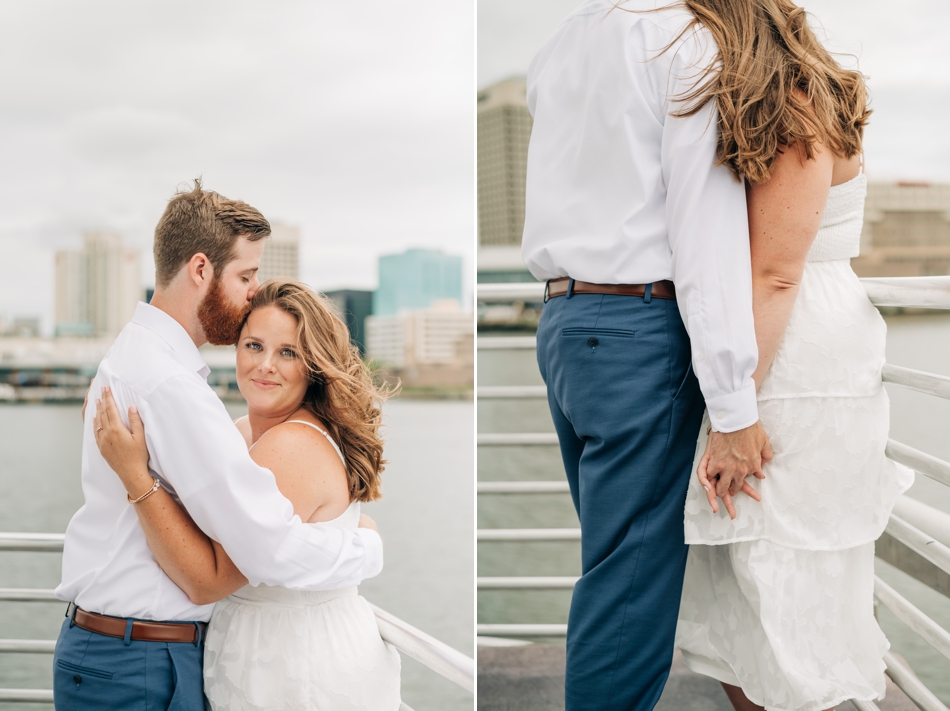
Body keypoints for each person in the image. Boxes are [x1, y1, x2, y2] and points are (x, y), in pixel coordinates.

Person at [522, 1, 772, 709]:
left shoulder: (565, 40)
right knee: (627, 590)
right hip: (638, 328)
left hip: (566, 320)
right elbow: (706, 237)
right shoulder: (688, 45)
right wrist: (733, 404)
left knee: (612, 569)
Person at [52, 183, 383, 711]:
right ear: (201, 269)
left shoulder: (132, 356)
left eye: (288, 353)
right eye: (246, 276)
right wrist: (362, 549)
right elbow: (255, 552)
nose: (253, 291)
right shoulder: (173, 386)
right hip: (139, 658)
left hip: (121, 650)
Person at [673, 2, 913, 709]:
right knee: (758, 576)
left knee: (777, 567)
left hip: (790, 354)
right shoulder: (810, 94)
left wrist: (732, 412)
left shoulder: (795, 106)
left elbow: (775, 273)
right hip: (802, 340)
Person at [92, 279, 402, 710]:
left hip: (294, 662)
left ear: (313, 364)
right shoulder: (240, 433)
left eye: (288, 352)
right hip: (255, 649)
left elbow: (211, 579)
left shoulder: (292, 444)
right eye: (254, 346)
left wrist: (135, 476)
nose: (265, 365)